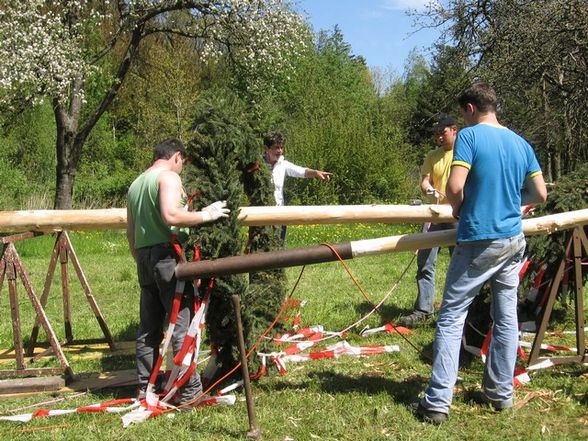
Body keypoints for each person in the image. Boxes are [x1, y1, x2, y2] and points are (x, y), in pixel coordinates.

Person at [413, 83, 547, 424]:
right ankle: (500, 394)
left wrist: (459, 210)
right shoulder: (520, 143)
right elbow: (539, 193)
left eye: (463, 113)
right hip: (513, 239)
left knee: (451, 316)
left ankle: (437, 402)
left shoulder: (469, 138)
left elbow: (454, 186)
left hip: (479, 238)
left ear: (471, 108)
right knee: (506, 317)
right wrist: (510, 203)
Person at [126, 138, 230, 405]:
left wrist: (142, 258)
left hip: (144, 258)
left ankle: (144, 388)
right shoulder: (168, 177)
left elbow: (130, 232)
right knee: (181, 324)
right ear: (177, 157)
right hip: (166, 258)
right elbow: (171, 215)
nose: (182, 167)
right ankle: (189, 391)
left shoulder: (136, 184)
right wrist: (208, 214)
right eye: (183, 162)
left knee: (149, 328)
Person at [398, 114, 458, 327]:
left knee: (460, 263)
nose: (439, 137)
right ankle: (424, 309)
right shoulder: (432, 156)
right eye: (436, 133)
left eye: (443, 132)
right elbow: (425, 182)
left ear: (454, 130)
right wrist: (429, 189)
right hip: (434, 214)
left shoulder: (464, 152)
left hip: (458, 215)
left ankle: (458, 311)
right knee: (425, 262)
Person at [263, 131, 332, 242]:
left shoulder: (283, 164)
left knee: (278, 253)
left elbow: (301, 171)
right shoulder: (256, 165)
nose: (280, 151)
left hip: (279, 215)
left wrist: (315, 173)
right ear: (266, 148)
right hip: (260, 216)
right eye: (276, 147)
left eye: (281, 147)